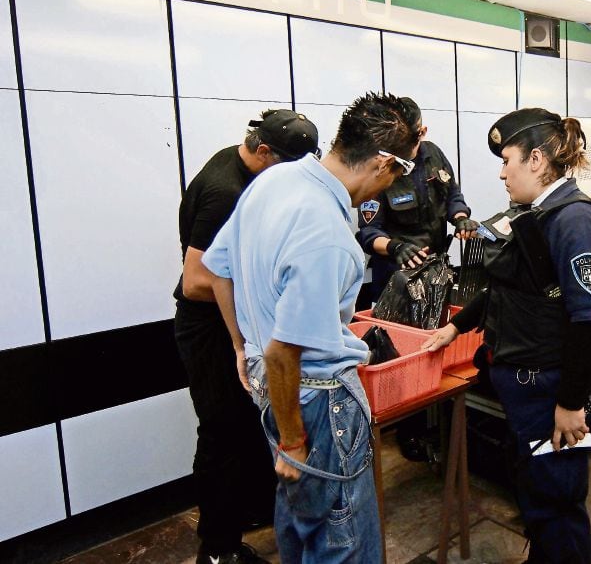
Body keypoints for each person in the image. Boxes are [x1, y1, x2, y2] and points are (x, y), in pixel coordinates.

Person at [202, 92, 418, 564]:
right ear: (384, 164)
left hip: (271, 387)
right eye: (398, 174)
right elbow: (285, 353)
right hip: (317, 401)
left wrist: (241, 347)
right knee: (343, 539)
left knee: (300, 519)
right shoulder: (329, 237)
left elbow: (216, 270)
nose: (388, 189)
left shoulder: (275, 179)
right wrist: (294, 440)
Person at [422, 108, 591, 564]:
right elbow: (508, 289)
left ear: (535, 160)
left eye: (507, 159)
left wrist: (572, 404)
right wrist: (455, 326)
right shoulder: (534, 214)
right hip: (527, 387)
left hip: (553, 388)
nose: (501, 172)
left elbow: (589, 322)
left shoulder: (577, 222)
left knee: (558, 499)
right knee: (536, 491)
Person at [174, 109, 320, 564]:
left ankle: (246, 514)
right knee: (223, 435)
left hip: (236, 323)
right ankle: (217, 550)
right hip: (211, 330)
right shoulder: (226, 191)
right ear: (262, 151)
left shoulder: (247, 170)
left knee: (248, 430)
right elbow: (196, 279)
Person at [356, 97, 478, 307]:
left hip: (435, 273)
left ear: (422, 132)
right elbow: (368, 231)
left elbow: (452, 194)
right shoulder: (381, 167)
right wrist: (395, 247)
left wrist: (460, 218)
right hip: (394, 279)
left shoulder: (434, 154)